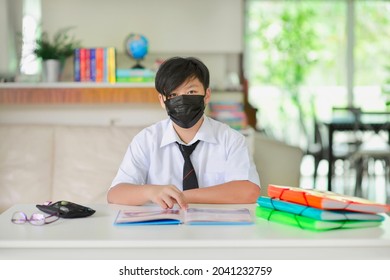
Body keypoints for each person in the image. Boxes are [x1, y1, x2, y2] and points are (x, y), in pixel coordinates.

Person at [107, 56, 260, 209]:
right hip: (160, 229)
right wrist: (151, 192)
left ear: (207, 95)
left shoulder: (231, 139)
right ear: (162, 100)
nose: (182, 100)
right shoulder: (146, 140)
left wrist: (181, 196)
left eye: (191, 91)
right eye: (173, 95)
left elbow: (249, 191)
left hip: (215, 229)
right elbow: (115, 194)